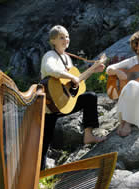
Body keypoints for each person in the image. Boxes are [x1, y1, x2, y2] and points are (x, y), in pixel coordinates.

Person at [40, 25, 106, 170]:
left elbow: (75, 82)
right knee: (45, 141)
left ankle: (88, 135)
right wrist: (71, 76)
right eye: (61, 37)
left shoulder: (67, 58)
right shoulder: (49, 56)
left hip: (65, 103)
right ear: (53, 41)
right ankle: (39, 174)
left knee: (90, 97)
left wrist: (93, 70)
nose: (66, 40)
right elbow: (52, 70)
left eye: (67, 36)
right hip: (50, 105)